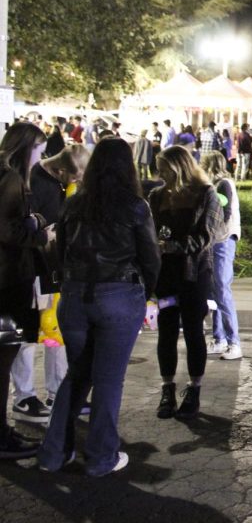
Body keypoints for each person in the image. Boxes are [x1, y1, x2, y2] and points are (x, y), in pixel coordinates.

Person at [37, 137, 161, 476]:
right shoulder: (135, 206)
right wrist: (148, 294)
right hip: (119, 294)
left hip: (75, 296)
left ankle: (52, 454)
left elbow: (59, 253)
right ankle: (101, 456)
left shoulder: (74, 204)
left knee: (77, 374)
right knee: (108, 379)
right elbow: (150, 258)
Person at [11, 144, 89, 426]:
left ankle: (58, 392)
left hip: (58, 268)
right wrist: (46, 233)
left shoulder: (60, 181)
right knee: (30, 334)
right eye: (74, 177)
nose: (76, 182)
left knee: (58, 332)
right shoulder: (32, 181)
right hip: (33, 268)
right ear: (60, 170)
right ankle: (24, 397)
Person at [149, 146, 222, 421]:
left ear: (180, 168)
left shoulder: (206, 194)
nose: (160, 174)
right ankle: (167, 388)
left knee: (193, 331)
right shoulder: (157, 196)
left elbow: (207, 237)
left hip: (193, 275)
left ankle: (194, 389)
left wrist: (171, 246)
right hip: (165, 276)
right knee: (166, 331)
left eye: (165, 169)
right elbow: (150, 230)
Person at [0, 122, 52, 459]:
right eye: (39, 149)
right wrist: (40, 235)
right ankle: (2, 438)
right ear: (26, 147)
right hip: (8, 281)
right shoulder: (12, 178)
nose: (41, 157)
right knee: (3, 360)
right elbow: (8, 230)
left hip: (6, 279)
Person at [200, 153, 242, 361]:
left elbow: (222, 215)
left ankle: (234, 342)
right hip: (218, 241)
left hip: (223, 240)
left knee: (222, 290)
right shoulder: (218, 184)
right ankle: (219, 339)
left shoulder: (223, 184)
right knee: (217, 291)